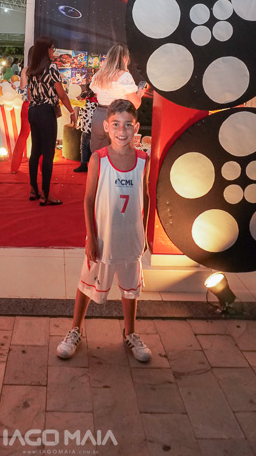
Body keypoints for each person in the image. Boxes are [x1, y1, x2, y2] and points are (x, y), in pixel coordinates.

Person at [57, 99, 151, 363]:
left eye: (128, 125)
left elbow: (145, 196)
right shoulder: (98, 159)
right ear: (106, 127)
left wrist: (144, 234)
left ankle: (130, 333)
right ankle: (75, 330)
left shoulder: (143, 160)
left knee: (130, 288)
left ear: (136, 128)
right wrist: (91, 238)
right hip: (103, 238)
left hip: (131, 238)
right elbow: (88, 199)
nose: (122, 130)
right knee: (87, 283)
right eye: (116, 124)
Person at [27, 36, 77, 205]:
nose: (53, 52)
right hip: (46, 112)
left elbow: (29, 94)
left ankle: (33, 189)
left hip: (33, 110)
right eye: (52, 48)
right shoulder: (51, 68)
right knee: (48, 153)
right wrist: (72, 111)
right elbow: (61, 94)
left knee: (35, 151)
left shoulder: (31, 69)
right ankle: (45, 195)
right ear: (46, 50)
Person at [89, 44, 144, 153]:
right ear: (125, 58)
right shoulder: (124, 76)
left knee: (99, 155)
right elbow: (135, 104)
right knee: (120, 155)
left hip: (99, 116)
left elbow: (96, 93)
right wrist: (140, 93)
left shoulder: (98, 75)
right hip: (118, 117)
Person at [10, 47, 33, 174]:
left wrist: (15, 88)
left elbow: (22, 90)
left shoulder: (26, 70)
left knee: (23, 135)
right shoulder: (46, 69)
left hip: (27, 106)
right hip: (41, 107)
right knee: (41, 138)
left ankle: (14, 167)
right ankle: (42, 168)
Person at [73, 86, 97, 173]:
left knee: (84, 145)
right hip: (97, 127)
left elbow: (74, 103)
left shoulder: (84, 102)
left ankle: (84, 164)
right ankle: (94, 165)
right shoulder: (101, 102)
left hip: (87, 128)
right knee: (94, 147)